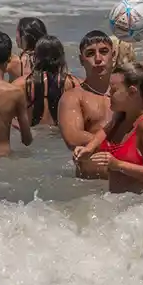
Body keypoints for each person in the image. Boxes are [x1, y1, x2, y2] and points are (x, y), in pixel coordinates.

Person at [74, 63, 143, 194]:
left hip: (142, 208)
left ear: (132, 92)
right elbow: (104, 132)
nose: (108, 94)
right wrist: (88, 149)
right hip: (120, 206)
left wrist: (118, 165)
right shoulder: (121, 117)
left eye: (113, 90)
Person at [58, 30, 117, 179]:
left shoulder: (130, 93)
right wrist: (120, 147)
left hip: (130, 188)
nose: (98, 58)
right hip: (92, 189)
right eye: (90, 53)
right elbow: (72, 138)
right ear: (81, 60)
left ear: (113, 56)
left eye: (104, 51)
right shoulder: (73, 97)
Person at [12, 35, 80, 127]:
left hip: (33, 136)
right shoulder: (74, 83)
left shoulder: (20, 84)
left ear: (35, 57)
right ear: (61, 57)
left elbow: (1, 115)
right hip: (60, 137)